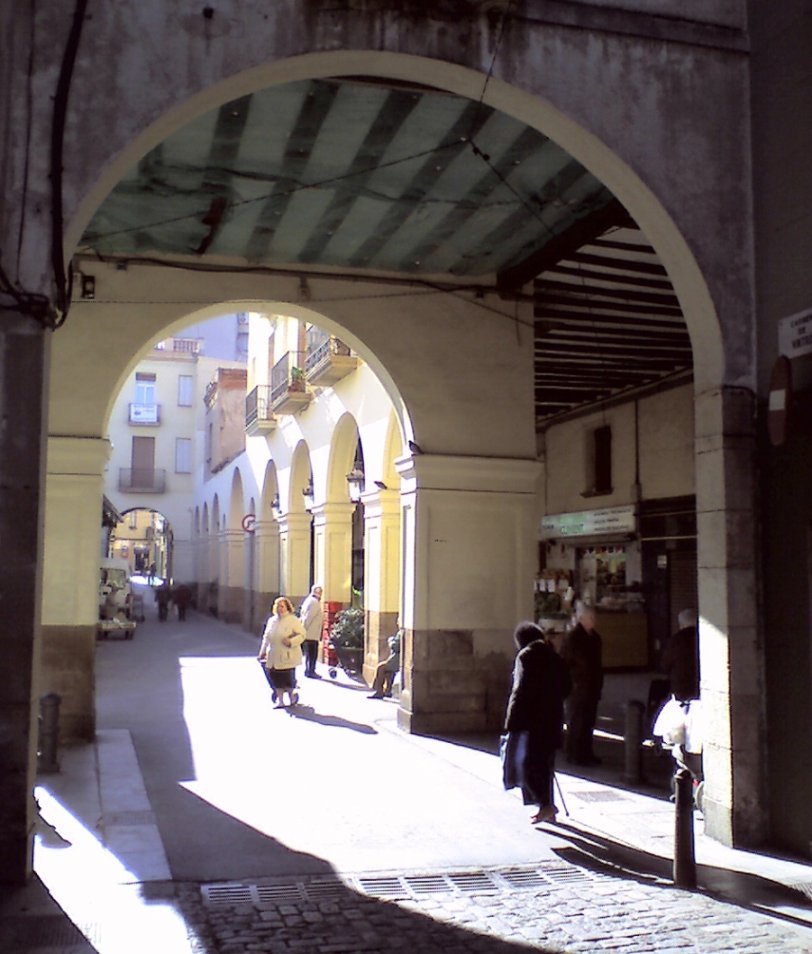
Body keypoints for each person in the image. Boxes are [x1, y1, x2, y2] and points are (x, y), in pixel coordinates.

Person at [503, 621, 571, 824]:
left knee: (527, 765)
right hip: (552, 719)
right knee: (545, 765)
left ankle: (546, 805)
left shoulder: (526, 656)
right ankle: (547, 807)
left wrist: (511, 720)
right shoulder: (554, 656)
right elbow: (567, 686)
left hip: (532, 721)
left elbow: (520, 690)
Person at [562, 604, 603, 766]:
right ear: (582, 619)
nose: (594, 620)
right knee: (576, 721)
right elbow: (565, 662)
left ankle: (587, 752)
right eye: (591, 617)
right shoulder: (573, 637)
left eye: (594, 617)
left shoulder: (595, 637)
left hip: (592, 685)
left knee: (589, 721)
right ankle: (573, 753)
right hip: (577, 686)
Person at [258, 596, 306, 708]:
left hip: (287, 655)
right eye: (278, 606)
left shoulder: (293, 620)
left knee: (288, 678)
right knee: (276, 678)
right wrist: (262, 651)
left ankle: (291, 698)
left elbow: (302, 635)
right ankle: (280, 701)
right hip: (273, 654)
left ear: (287, 607)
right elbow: (266, 637)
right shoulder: (272, 621)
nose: (280, 608)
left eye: (282, 606)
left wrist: (291, 641)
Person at [367, 624, 402, 699]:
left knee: (381, 668)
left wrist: (391, 640)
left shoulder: (401, 632)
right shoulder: (402, 632)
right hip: (397, 659)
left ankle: (379, 691)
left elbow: (395, 646)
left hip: (398, 659)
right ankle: (387, 690)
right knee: (388, 670)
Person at [299, 584, 324, 678]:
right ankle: (310, 671)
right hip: (311, 633)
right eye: (320, 591)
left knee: (310, 653)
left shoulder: (309, 600)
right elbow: (308, 618)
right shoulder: (314, 603)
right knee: (312, 653)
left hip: (311, 632)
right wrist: (303, 629)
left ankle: (309, 670)